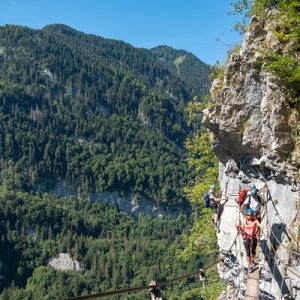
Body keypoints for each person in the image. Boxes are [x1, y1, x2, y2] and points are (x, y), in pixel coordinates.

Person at [236, 209, 262, 273]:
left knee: (253, 251)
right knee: (248, 252)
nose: (249, 216)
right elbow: (241, 230)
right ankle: (250, 265)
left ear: (253, 215)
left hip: (253, 237)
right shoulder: (244, 221)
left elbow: (259, 225)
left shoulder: (255, 221)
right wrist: (237, 228)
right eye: (248, 215)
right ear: (246, 215)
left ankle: (252, 260)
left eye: (251, 215)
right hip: (246, 238)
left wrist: (263, 227)